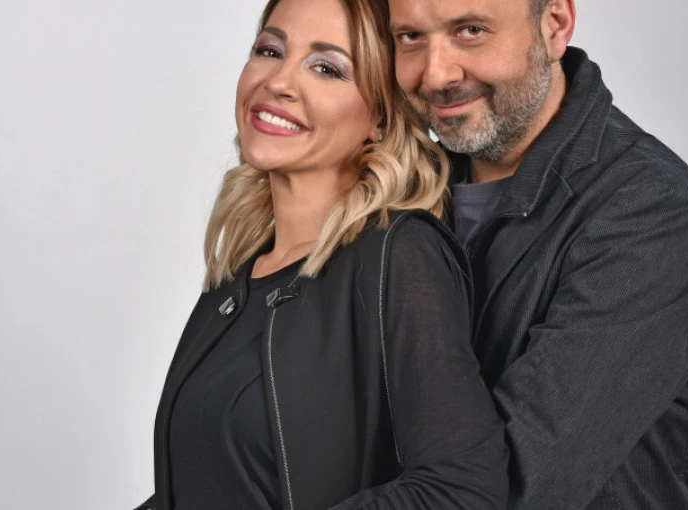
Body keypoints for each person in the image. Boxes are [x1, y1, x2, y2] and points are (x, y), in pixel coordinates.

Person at [134, 0, 507, 509]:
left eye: (327, 68)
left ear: (380, 117)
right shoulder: (240, 274)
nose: (279, 82)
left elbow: (461, 489)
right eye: (270, 50)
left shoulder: (400, 254)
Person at [387, 0, 688, 508]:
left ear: (555, 25)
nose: (436, 75)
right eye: (410, 37)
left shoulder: (652, 209)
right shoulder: (403, 186)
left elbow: (511, 489)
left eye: (471, 30)